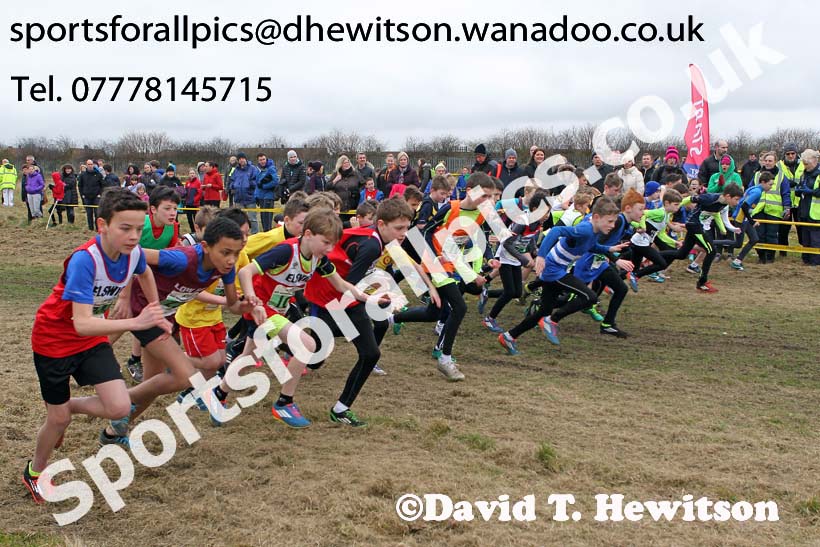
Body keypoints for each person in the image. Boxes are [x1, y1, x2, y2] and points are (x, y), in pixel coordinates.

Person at [23, 188, 168, 503]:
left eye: (138, 228)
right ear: (102, 225)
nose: (133, 236)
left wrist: (154, 309)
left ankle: (67, 408)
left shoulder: (134, 253)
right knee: (57, 421)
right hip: (54, 341)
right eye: (124, 228)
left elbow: (145, 273)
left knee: (118, 408)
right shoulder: (84, 261)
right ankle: (34, 472)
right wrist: (135, 322)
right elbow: (82, 323)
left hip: (89, 341)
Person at [219, 208, 374, 428]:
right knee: (307, 344)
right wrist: (253, 302)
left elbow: (340, 284)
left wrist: (368, 299)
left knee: (248, 359)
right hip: (261, 309)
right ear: (308, 234)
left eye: (333, 244)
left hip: (275, 310)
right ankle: (284, 402)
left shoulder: (318, 259)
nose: (330, 249)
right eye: (326, 242)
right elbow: (245, 273)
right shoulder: (285, 251)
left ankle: (218, 394)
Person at [107, 217, 247, 444]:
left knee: (151, 386)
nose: (232, 260)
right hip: (143, 312)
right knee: (185, 376)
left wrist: (248, 305)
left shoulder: (225, 268)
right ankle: (116, 402)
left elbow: (233, 305)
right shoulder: (182, 259)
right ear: (205, 247)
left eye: (236, 253)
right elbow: (133, 254)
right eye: (225, 253)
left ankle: (114, 431)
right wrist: (123, 295)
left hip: (163, 319)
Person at [303, 198, 422, 426]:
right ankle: (286, 337)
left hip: (342, 297)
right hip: (332, 296)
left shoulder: (376, 238)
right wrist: (375, 300)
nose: (404, 233)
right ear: (381, 224)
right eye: (399, 228)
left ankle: (341, 409)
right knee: (317, 353)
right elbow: (349, 285)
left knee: (370, 353)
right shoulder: (372, 245)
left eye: (407, 227)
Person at [392, 173, 496, 381]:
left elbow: (481, 236)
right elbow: (428, 232)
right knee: (460, 307)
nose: (488, 201)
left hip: (456, 263)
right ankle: (445, 359)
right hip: (436, 263)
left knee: (434, 312)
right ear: (470, 191)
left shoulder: (482, 214)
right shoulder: (451, 208)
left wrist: (489, 258)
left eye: (490, 197)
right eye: (484, 196)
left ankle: (393, 317)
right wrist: (435, 255)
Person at [498, 197, 629, 354]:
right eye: (610, 221)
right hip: (554, 270)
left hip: (557, 269)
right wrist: (541, 256)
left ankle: (509, 336)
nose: (613, 226)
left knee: (544, 310)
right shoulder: (585, 229)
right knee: (590, 297)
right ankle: (552, 320)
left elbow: (590, 246)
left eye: (614, 222)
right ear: (596, 217)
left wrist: (609, 249)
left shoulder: (593, 231)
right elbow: (556, 231)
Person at [175, 208, 251, 411]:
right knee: (209, 361)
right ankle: (172, 357)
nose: (245, 239)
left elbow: (241, 283)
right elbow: (194, 291)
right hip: (193, 318)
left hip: (214, 317)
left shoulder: (238, 258)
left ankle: (197, 392)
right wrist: (225, 300)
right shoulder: (206, 260)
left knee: (217, 361)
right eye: (242, 234)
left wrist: (245, 297)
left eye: (247, 234)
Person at [482, 192, 551, 333]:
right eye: (545, 212)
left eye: (548, 212)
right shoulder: (522, 221)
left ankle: (486, 293)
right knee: (509, 292)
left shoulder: (538, 222)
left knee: (517, 292)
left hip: (515, 257)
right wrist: (523, 259)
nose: (547, 215)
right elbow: (507, 243)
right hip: (506, 256)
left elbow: (530, 238)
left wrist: (535, 251)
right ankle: (489, 318)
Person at [661, 184, 743, 292]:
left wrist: (727, 228)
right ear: (728, 196)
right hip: (695, 225)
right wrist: (676, 207)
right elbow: (689, 199)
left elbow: (717, 214)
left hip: (697, 226)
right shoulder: (710, 198)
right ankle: (702, 282)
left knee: (681, 254)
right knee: (711, 251)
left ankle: (650, 255)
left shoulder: (724, 204)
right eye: (736, 199)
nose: (737, 203)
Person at [728, 171, 773, 271]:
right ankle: (713, 243)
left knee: (754, 239)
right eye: (770, 184)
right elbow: (744, 205)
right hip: (741, 219)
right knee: (738, 243)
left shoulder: (755, 189)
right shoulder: (757, 192)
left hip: (744, 219)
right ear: (763, 182)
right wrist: (752, 221)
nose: (771, 187)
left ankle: (737, 261)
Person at [751, 151, 790, 263]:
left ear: (775, 162)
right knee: (759, 235)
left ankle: (770, 257)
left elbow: (786, 193)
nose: (767, 163)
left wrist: (787, 207)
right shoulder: (757, 175)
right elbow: (750, 190)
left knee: (772, 235)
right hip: (758, 210)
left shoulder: (781, 176)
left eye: (770, 161)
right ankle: (761, 256)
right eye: (766, 161)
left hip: (774, 211)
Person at [793, 148, 820, 266]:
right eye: (803, 163)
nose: (805, 166)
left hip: (816, 213)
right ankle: (805, 260)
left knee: (815, 240)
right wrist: (798, 191)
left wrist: (811, 192)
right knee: (805, 239)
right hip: (804, 211)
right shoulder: (804, 174)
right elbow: (800, 187)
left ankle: (815, 262)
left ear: (814, 161)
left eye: (806, 163)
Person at [778, 143, 803, 255]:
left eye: (793, 153)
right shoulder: (779, 165)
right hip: (785, 201)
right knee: (783, 228)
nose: (791, 156)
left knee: (801, 228)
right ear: (785, 154)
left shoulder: (803, 164)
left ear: (796, 153)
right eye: (788, 153)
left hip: (799, 202)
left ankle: (805, 251)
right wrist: (787, 183)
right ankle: (783, 252)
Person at [229, 153, 260, 232]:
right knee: (239, 219)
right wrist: (233, 186)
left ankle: (255, 234)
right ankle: (241, 234)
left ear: (246, 159)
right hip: (239, 198)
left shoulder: (253, 169)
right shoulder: (235, 170)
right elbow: (231, 180)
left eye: (243, 158)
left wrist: (249, 184)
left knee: (252, 219)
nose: (241, 160)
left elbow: (257, 181)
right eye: (239, 159)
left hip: (250, 198)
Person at [78, 159, 103, 230]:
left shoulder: (98, 174)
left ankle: (98, 228)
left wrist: (100, 194)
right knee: (89, 213)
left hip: (96, 196)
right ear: (86, 165)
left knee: (97, 213)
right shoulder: (83, 175)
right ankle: (90, 228)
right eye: (88, 164)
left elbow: (102, 185)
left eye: (91, 164)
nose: (90, 166)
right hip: (87, 197)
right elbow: (80, 185)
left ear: (93, 165)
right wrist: (82, 194)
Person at [182, 168, 202, 232]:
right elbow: (185, 192)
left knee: (195, 219)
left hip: (195, 204)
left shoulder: (198, 182)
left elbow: (199, 193)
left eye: (193, 173)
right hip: (188, 204)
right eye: (191, 173)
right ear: (188, 174)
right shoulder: (187, 182)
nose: (192, 174)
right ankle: (192, 231)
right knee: (189, 219)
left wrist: (194, 200)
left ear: (195, 174)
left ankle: (197, 231)